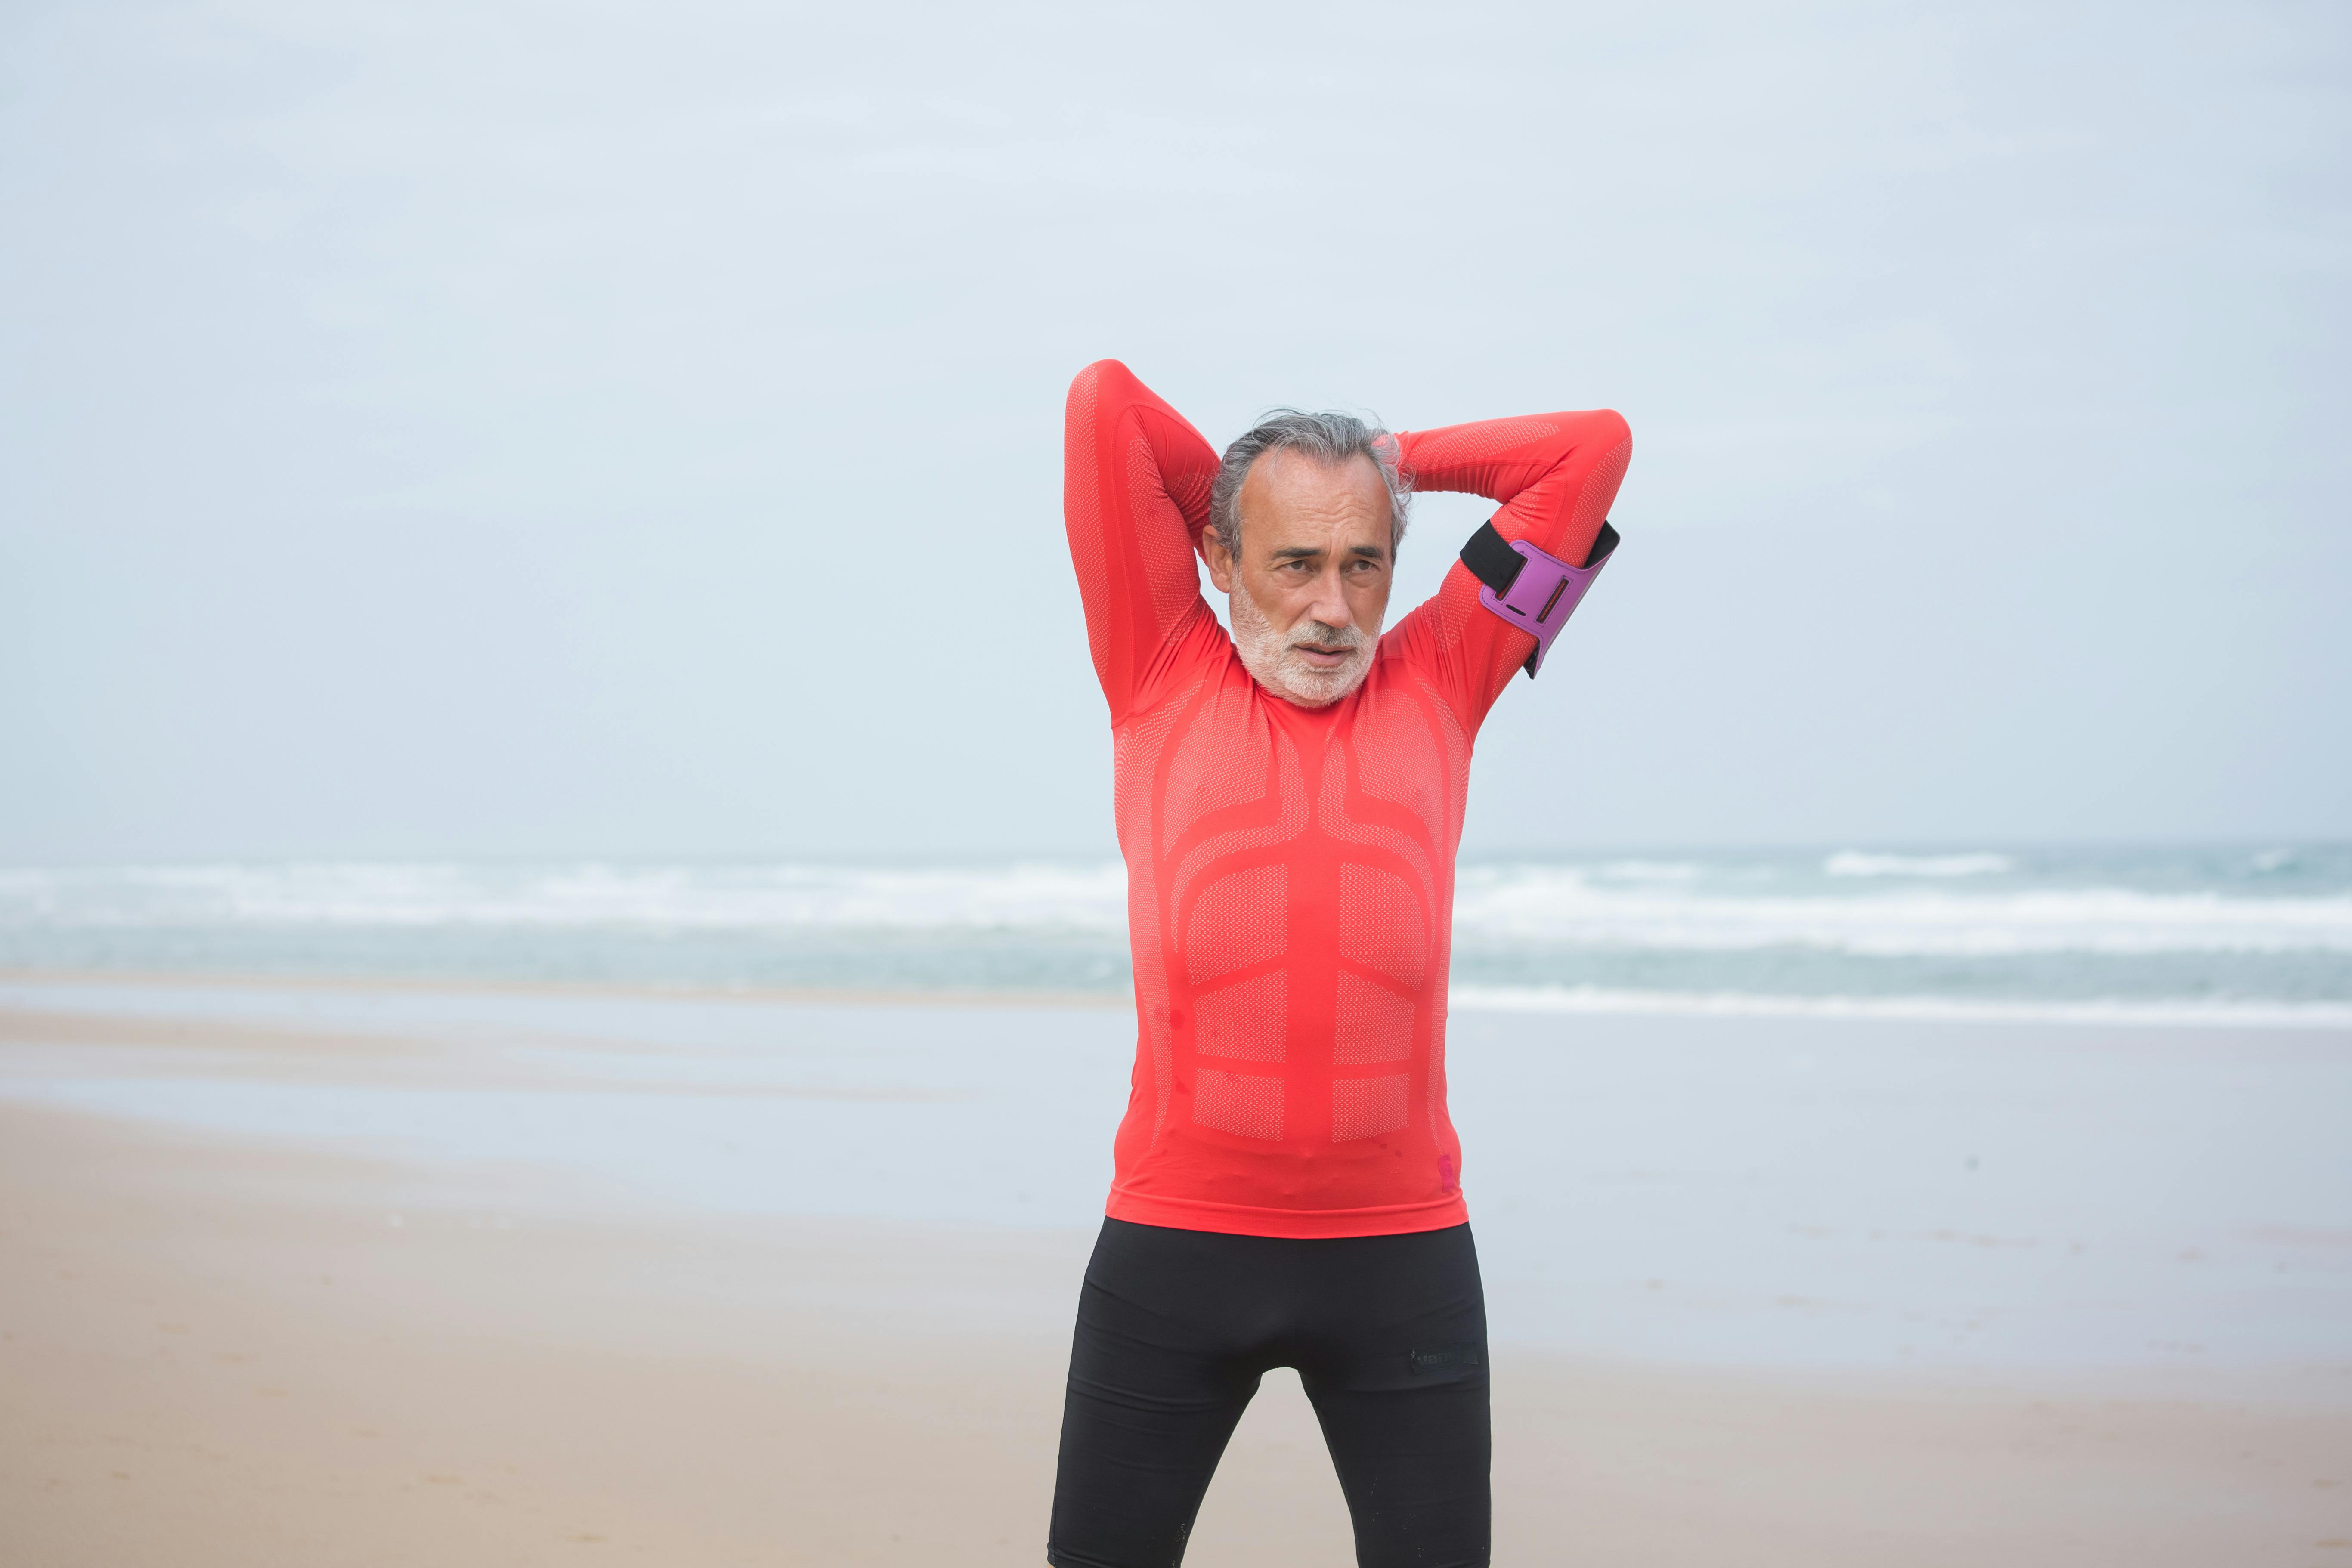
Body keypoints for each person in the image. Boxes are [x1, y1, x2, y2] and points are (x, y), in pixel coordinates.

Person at [1048, 359, 1630, 1568]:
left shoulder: (1449, 670)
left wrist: (1388, 453)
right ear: (1220, 561)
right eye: (1292, 562)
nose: (1331, 606)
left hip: (1402, 1264)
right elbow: (1105, 403)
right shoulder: (1157, 661)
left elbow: (1589, 448)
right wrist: (1262, 487)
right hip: (1174, 1249)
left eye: (1362, 562)